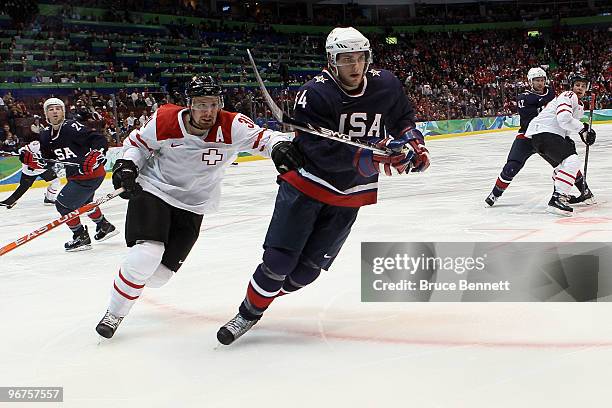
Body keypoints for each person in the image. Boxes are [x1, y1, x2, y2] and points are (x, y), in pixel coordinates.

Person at [216, 27, 430, 345]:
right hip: (307, 184)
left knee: (306, 273)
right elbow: (319, 152)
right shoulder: (314, 94)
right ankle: (248, 314)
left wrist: (414, 143)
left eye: (360, 58)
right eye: (346, 60)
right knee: (278, 263)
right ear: (331, 61)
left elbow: (402, 117)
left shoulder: (386, 83)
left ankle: (264, 296)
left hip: (351, 192)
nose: (354, 67)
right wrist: (374, 158)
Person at [94, 75, 300, 339]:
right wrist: (127, 165)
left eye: (214, 104)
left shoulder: (232, 125)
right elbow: (137, 145)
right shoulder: (165, 120)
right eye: (202, 105)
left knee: (158, 277)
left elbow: (266, 137)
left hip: (194, 204)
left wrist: (279, 147)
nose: (209, 111)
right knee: (148, 253)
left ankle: (131, 274)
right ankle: (115, 313)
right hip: (154, 188)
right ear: (189, 105)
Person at [19, 97, 118, 250]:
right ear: (46, 114)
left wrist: (97, 154)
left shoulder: (71, 127)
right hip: (77, 176)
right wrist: (34, 162)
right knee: (85, 202)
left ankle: (80, 236)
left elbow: (98, 139)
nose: (55, 111)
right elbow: (50, 160)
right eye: (51, 109)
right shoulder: (45, 135)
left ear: (63, 112)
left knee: (63, 205)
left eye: (58, 108)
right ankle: (104, 226)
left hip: (90, 174)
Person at [525, 73, 596, 216]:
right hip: (545, 133)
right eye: (577, 85)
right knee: (572, 161)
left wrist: (575, 136)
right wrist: (583, 128)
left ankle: (560, 194)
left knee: (561, 167)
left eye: (583, 86)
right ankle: (557, 198)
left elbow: (566, 125)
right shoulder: (569, 95)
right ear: (571, 86)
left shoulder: (579, 105)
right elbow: (564, 118)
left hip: (541, 136)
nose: (580, 88)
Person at [485, 67, 556, 206]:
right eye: (537, 80)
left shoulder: (551, 93)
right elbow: (531, 118)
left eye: (542, 80)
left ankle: (579, 192)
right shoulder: (524, 98)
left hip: (546, 136)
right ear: (530, 82)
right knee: (511, 166)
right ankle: (495, 194)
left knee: (564, 163)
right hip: (527, 136)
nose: (540, 83)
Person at [0, 141, 61, 209]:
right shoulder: (37, 144)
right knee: (23, 187)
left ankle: (49, 199)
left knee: (56, 181)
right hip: (29, 171)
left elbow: (50, 164)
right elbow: (23, 149)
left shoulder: (57, 150)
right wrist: (23, 153)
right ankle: (10, 201)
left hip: (43, 170)